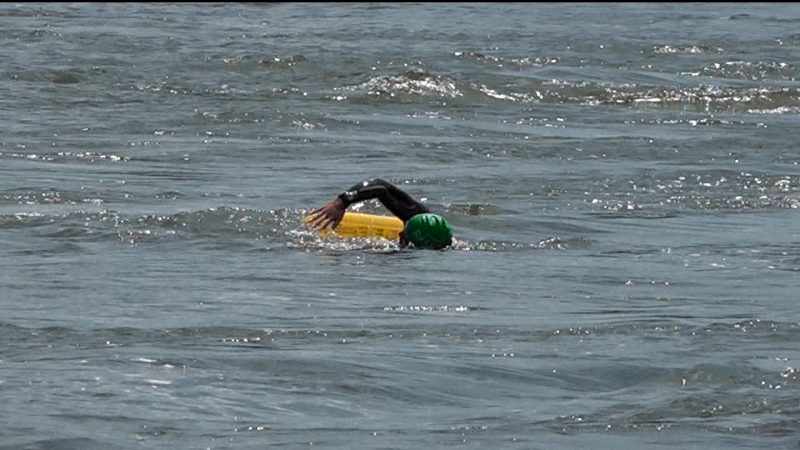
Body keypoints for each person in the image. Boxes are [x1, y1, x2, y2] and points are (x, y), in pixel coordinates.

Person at [307, 178, 453, 249]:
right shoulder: (421, 219)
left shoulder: (405, 260)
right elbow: (381, 186)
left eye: (405, 234)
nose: (400, 234)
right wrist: (342, 202)